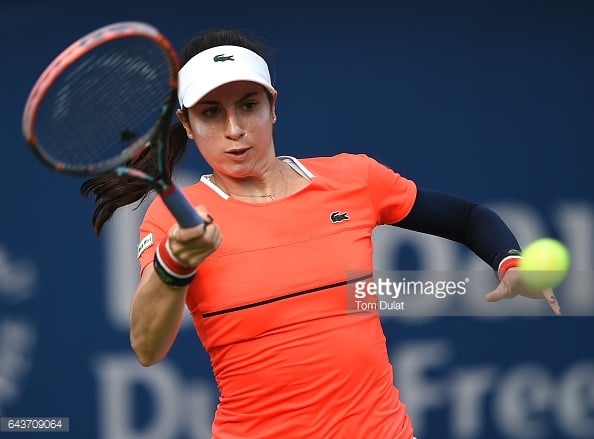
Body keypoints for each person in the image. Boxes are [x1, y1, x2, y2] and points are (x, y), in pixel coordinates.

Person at [81, 28, 561, 439]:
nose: (234, 130)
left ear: (273, 106)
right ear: (186, 123)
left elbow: (468, 217)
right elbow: (147, 348)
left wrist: (510, 261)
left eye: (248, 106)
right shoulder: (173, 221)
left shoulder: (354, 179)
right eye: (210, 113)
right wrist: (176, 262)